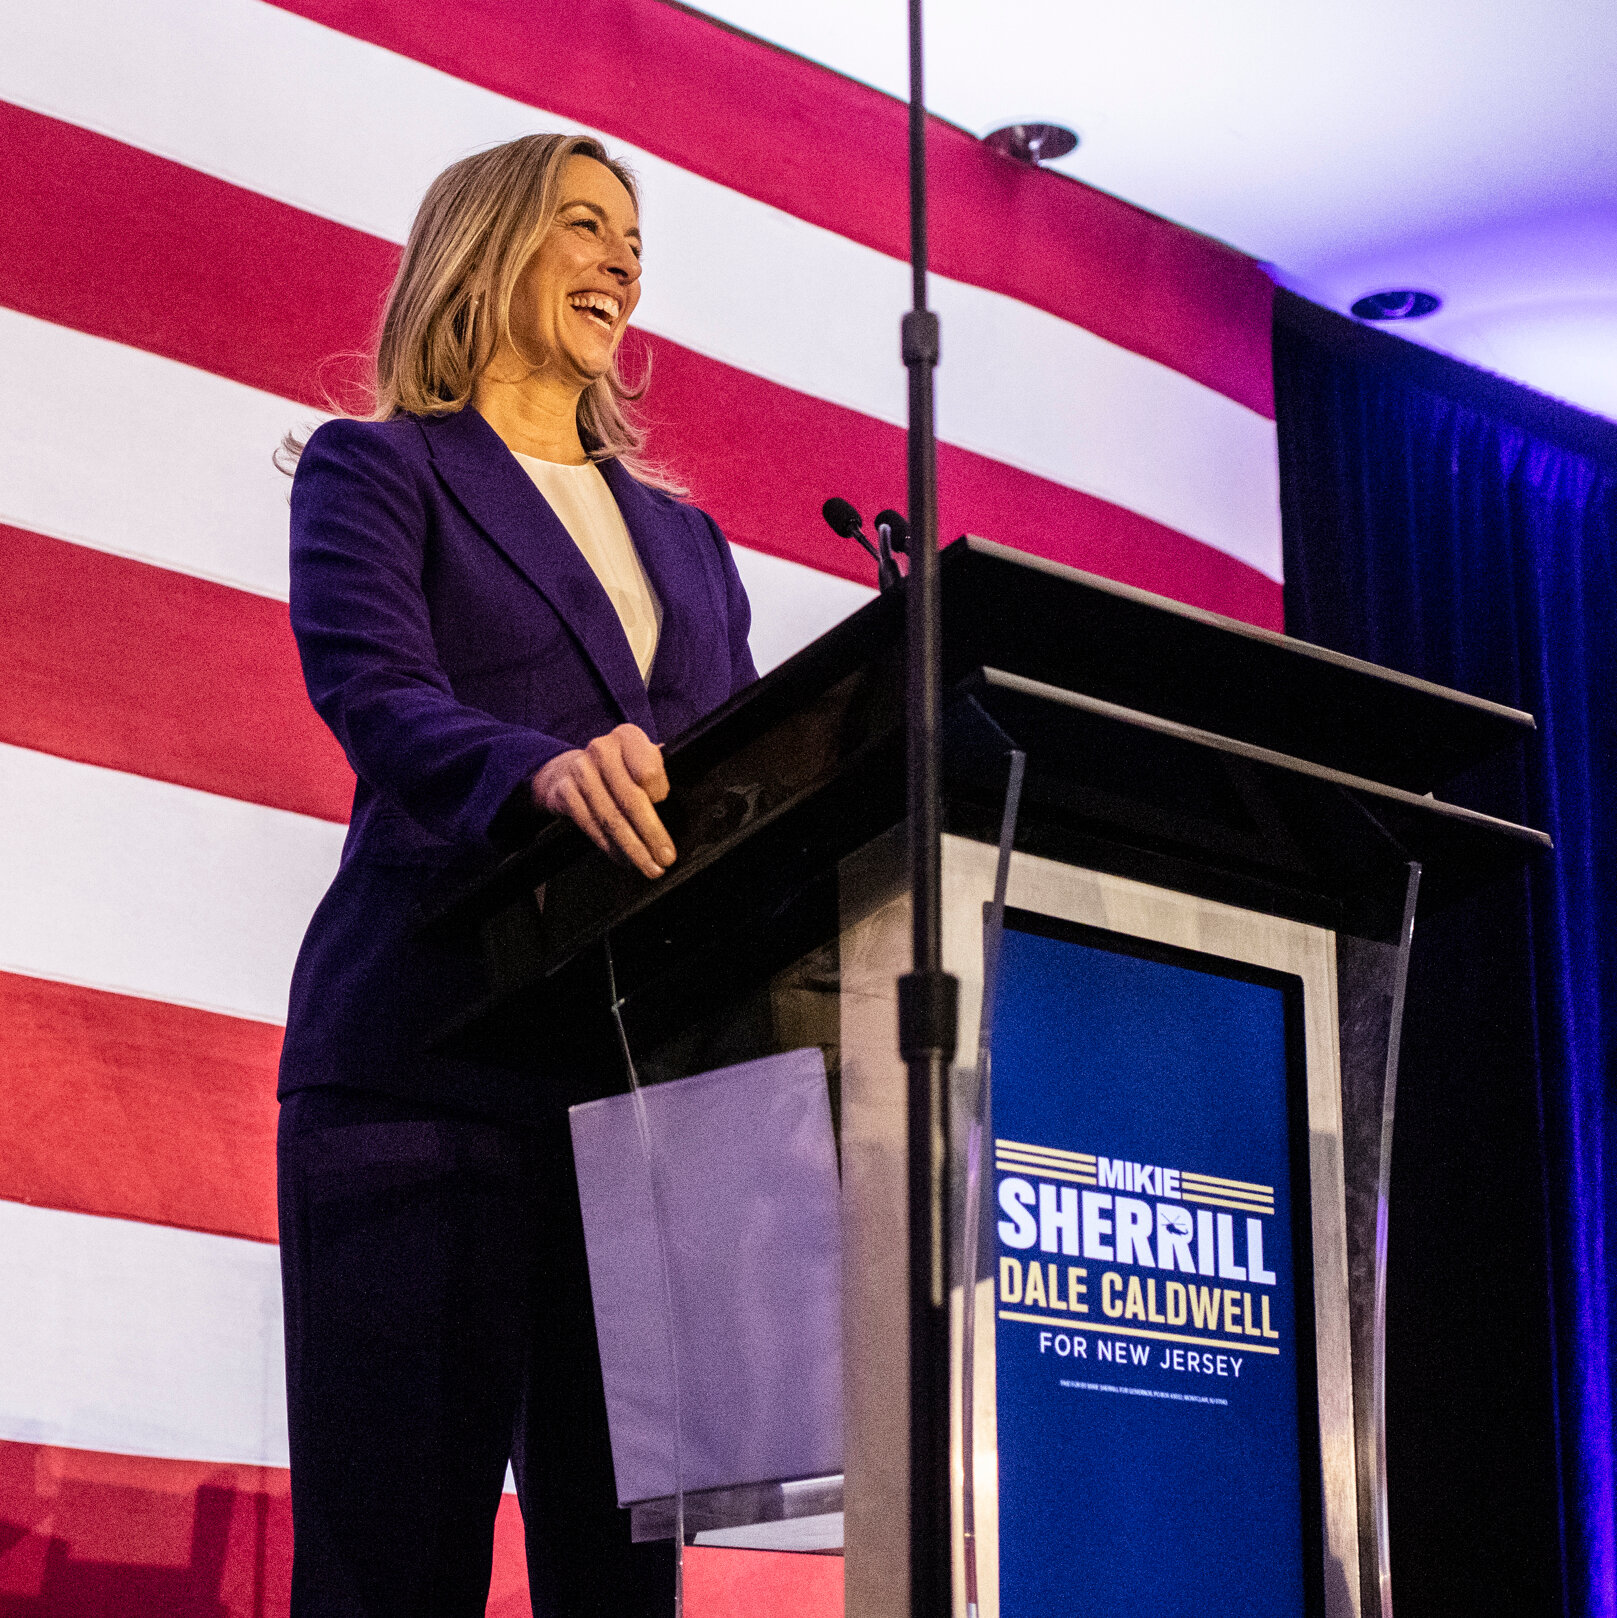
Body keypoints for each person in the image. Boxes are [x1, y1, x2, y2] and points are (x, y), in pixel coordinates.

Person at [275, 132, 757, 1617]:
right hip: (425, 1066)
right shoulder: (379, 469)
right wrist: (537, 773)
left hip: (639, 1107)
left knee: (621, 1588)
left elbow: (740, 777)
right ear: (486, 247)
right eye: (585, 224)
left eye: (635, 239)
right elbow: (375, 692)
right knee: (394, 1565)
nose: (624, 261)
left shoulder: (690, 543)